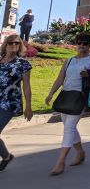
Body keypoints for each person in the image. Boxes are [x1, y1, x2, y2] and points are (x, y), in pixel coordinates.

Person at [44, 33, 90, 176]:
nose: (82, 46)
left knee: (69, 127)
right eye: (79, 43)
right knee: (68, 126)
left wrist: (88, 75)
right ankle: (80, 152)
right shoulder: (69, 60)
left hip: (81, 97)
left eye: (85, 43)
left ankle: (61, 161)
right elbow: (60, 79)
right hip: (66, 95)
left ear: (89, 45)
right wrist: (51, 94)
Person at [0, 34, 33, 172]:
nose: (14, 45)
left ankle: (6, 157)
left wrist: (29, 107)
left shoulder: (23, 64)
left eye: (17, 43)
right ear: (5, 44)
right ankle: (7, 157)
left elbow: (26, 86)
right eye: (11, 43)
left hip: (10, 102)